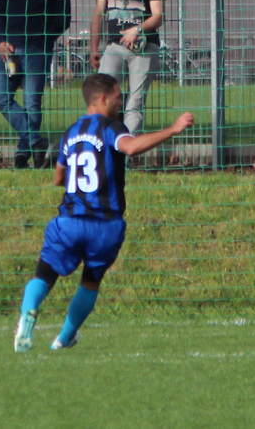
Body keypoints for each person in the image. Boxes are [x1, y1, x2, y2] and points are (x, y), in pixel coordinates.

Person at [13, 73, 193, 352]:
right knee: (90, 280)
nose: (121, 102)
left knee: (45, 273)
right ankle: (63, 338)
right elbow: (130, 148)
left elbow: (58, 178)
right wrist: (173, 129)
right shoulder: (111, 127)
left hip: (70, 222)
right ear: (103, 98)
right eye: (119, 96)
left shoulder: (71, 132)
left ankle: (28, 315)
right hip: (106, 227)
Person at [0, 0, 71, 169]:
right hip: (9, 50)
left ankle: (21, 154)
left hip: (37, 50)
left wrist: (44, 40)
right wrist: (1, 41)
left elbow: (63, 19)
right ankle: (36, 142)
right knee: (0, 95)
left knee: (32, 103)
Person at [89, 0, 166, 135]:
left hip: (144, 48)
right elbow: (99, 13)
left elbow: (158, 17)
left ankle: (126, 152)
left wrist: (137, 29)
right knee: (103, 97)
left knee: (135, 101)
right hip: (114, 47)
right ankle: (101, 145)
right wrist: (94, 49)